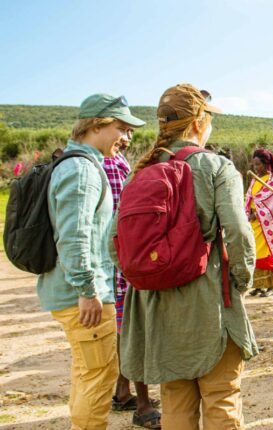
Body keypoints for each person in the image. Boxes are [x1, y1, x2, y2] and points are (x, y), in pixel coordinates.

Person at [115, 84, 257, 429]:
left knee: (175, 400)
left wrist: (152, 276)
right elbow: (238, 231)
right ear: (198, 121)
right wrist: (241, 279)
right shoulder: (215, 166)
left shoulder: (142, 171)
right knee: (221, 396)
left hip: (159, 307)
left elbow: (114, 243)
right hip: (209, 301)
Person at [36, 93, 145, 430]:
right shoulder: (82, 170)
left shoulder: (83, 164)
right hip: (86, 295)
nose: (126, 138)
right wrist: (87, 288)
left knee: (89, 373)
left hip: (87, 291)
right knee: (98, 379)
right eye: (121, 128)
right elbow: (74, 235)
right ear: (96, 124)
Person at [105, 131, 161, 428]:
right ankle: (142, 403)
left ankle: (123, 390)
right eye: (122, 130)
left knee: (124, 328)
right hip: (120, 263)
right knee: (132, 329)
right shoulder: (106, 165)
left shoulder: (119, 162)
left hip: (121, 261)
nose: (127, 136)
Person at [246, 149, 273, 298]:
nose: (256, 168)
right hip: (254, 223)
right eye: (254, 165)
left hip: (267, 224)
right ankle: (258, 285)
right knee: (255, 252)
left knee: (268, 253)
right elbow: (250, 198)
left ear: (266, 164)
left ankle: (270, 286)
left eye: (258, 164)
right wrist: (249, 212)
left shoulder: (271, 181)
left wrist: (257, 213)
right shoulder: (255, 179)